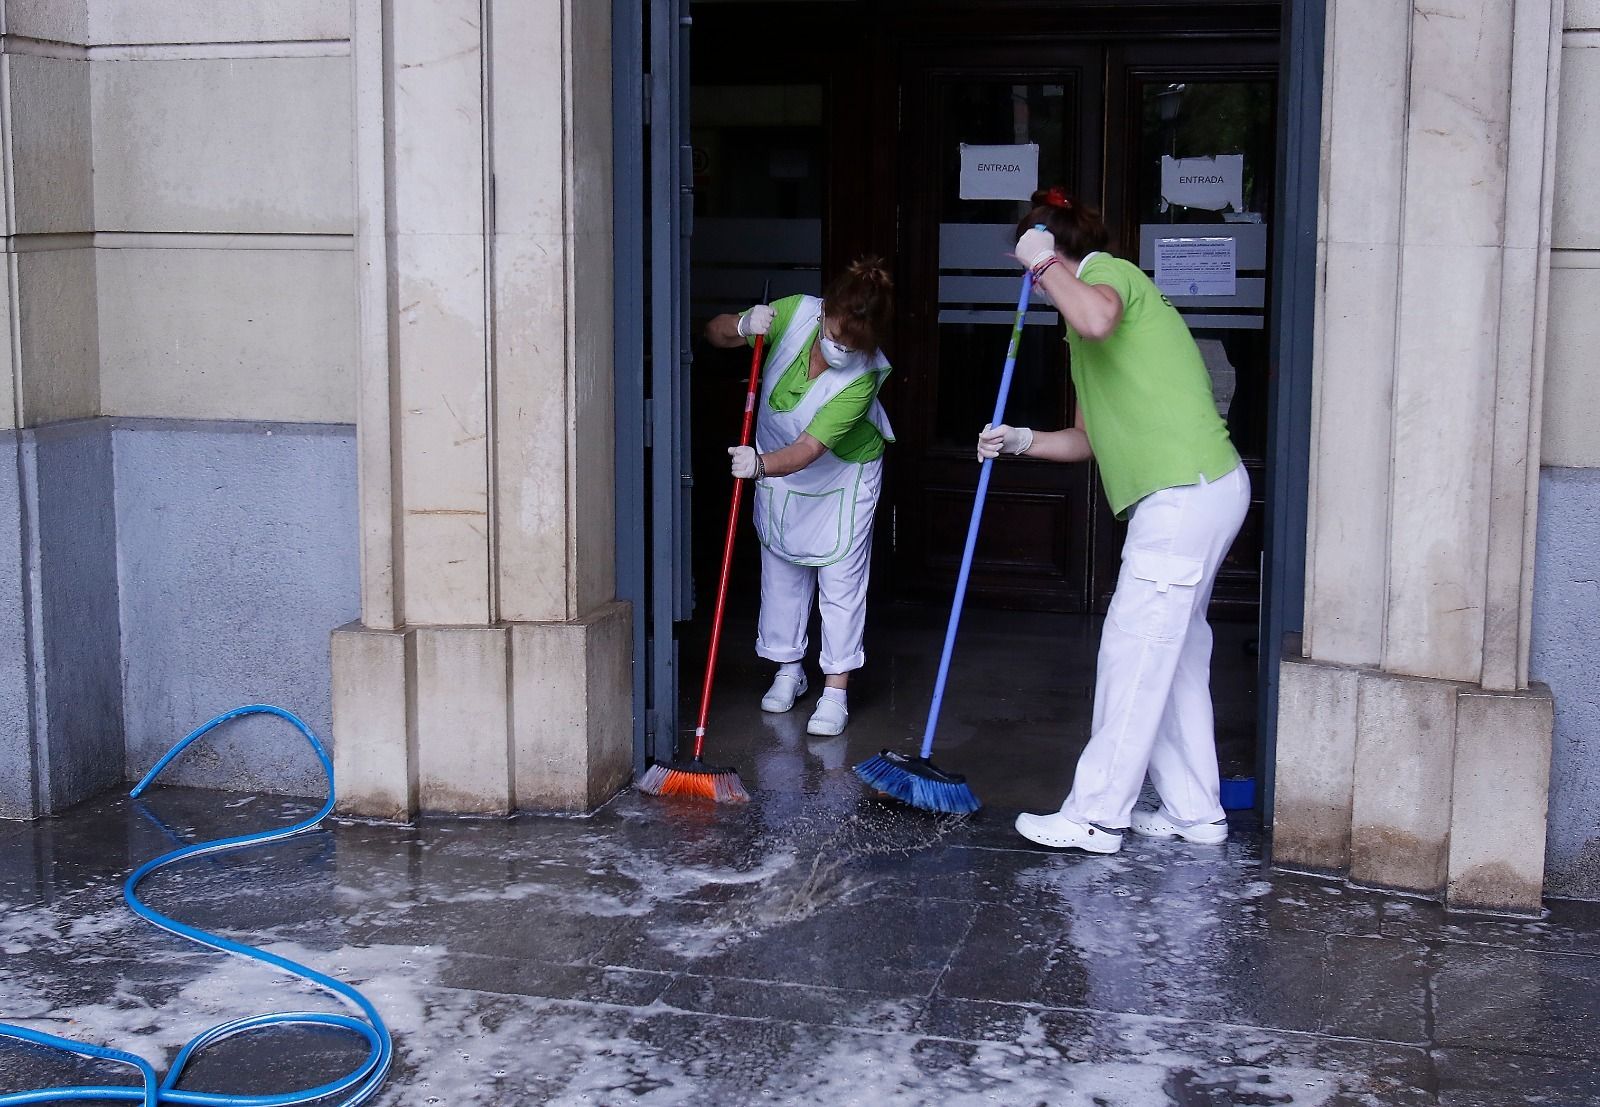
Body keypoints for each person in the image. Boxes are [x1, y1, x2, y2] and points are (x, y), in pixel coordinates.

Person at [979, 187, 1249, 854]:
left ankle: (1097, 815)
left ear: (1057, 255)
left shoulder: (1108, 274)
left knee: (1133, 650)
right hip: (1197, 491)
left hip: (1184, 493)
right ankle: (1196, 811)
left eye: (1037, 267)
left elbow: (1097, 316)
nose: (1035, 286)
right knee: (1174, 656)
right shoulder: (1082, 328)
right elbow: (1088, 438)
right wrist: (1021, 440)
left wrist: (1044, 264)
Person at [704, 259, 895, 738]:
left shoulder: (864, 376)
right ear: (824, 312)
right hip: (777, 470)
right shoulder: (792, 314)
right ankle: (788, 668)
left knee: (840, 580)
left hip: (840, 478)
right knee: (782, 571)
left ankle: (836, 689)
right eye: (836, 335)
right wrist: (743, 324)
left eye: (855, 345)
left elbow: (809, 449)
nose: (841, 348)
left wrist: (759, 466)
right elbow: (714, 334)